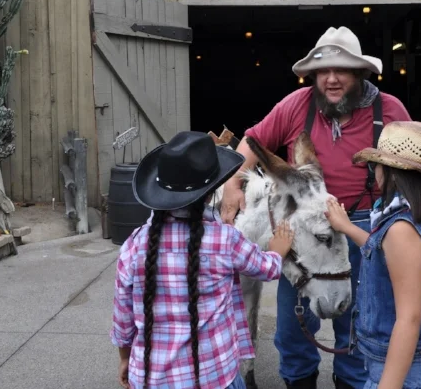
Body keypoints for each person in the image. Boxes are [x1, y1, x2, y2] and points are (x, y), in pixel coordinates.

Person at [220, 26, 411, 389]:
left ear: (360, 73)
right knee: (295, 326)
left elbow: (415, 175)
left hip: (362, 225)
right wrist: (232, 181)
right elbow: (252, 141)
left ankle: (351, 381)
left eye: (342, 70)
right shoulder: (296, 105)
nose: (332, 79)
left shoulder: (390, 110)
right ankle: (299, 380)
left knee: (356, 321)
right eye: (324, 71)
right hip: (302, 230)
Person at [111, 131, 296, 389]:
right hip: (216, 377)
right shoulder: (225, 240)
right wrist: (278, 250)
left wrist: (125, 358)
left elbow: (123, 316)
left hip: (151, 379)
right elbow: (267, 269)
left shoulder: (134, 245)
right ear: (210, 194)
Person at [324, 121, 421, 389]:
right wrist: (346, 227)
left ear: (392, 173)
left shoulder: (402, 229)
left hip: (413, 377)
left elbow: (409, 319)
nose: (374, 171)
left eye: (375, 164)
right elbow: (388, 255)